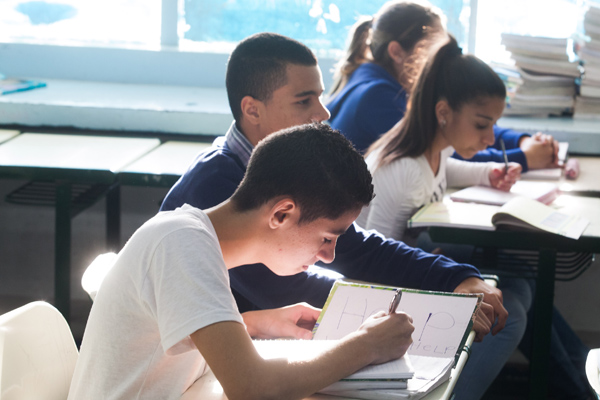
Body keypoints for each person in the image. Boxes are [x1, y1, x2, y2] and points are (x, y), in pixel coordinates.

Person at [160, 32, 518, 400]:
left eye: (320, 95)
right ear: (252, 109)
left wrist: (454, 279)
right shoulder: (212, 189)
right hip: (218, 374)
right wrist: (425, 313)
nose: (324, 113)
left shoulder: (288, 171)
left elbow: (359, 248)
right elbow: (287, 290)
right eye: (304, 100)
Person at [68, 124, 416, 400]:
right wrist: (365, 346)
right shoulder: (181, 243)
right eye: (327, 238)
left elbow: (165, 344)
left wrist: (253, 323)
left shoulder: (193, 238)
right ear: (281, 214)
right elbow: (252, 390)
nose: (329, 256)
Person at [358, 34, 591, 400]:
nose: (490, 138)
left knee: (522, 282)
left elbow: (446, 169)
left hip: (418, 271)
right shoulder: (401, 171)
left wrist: (488, 175)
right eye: (482, 124)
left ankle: (580, 387)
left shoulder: (431, 151)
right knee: (510, 311)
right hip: (386, 300)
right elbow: (371, 268)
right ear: (443, 112)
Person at [327, 0, 559, 172]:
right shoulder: (376, 97)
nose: (443, 62)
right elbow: (447, 152)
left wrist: (521, 141)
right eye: (433, 53)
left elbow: (466, 125)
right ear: (397, 52)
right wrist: (524, 158)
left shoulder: (381, 83)